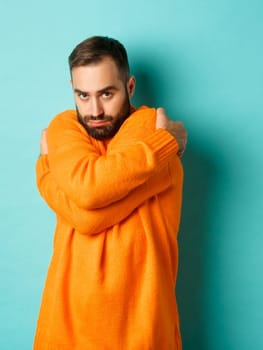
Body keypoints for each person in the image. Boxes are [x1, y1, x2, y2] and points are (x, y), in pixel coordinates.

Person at [33, 36, 188, 349]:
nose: (95, 110)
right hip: (63, 328)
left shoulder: (151, 128)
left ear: (129, 88)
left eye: (107, 93)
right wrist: (46, 172)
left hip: (141, 332)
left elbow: (88, 206)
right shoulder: (65, 126)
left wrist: (46, 169)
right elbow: (92, 198)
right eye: (83, 95)